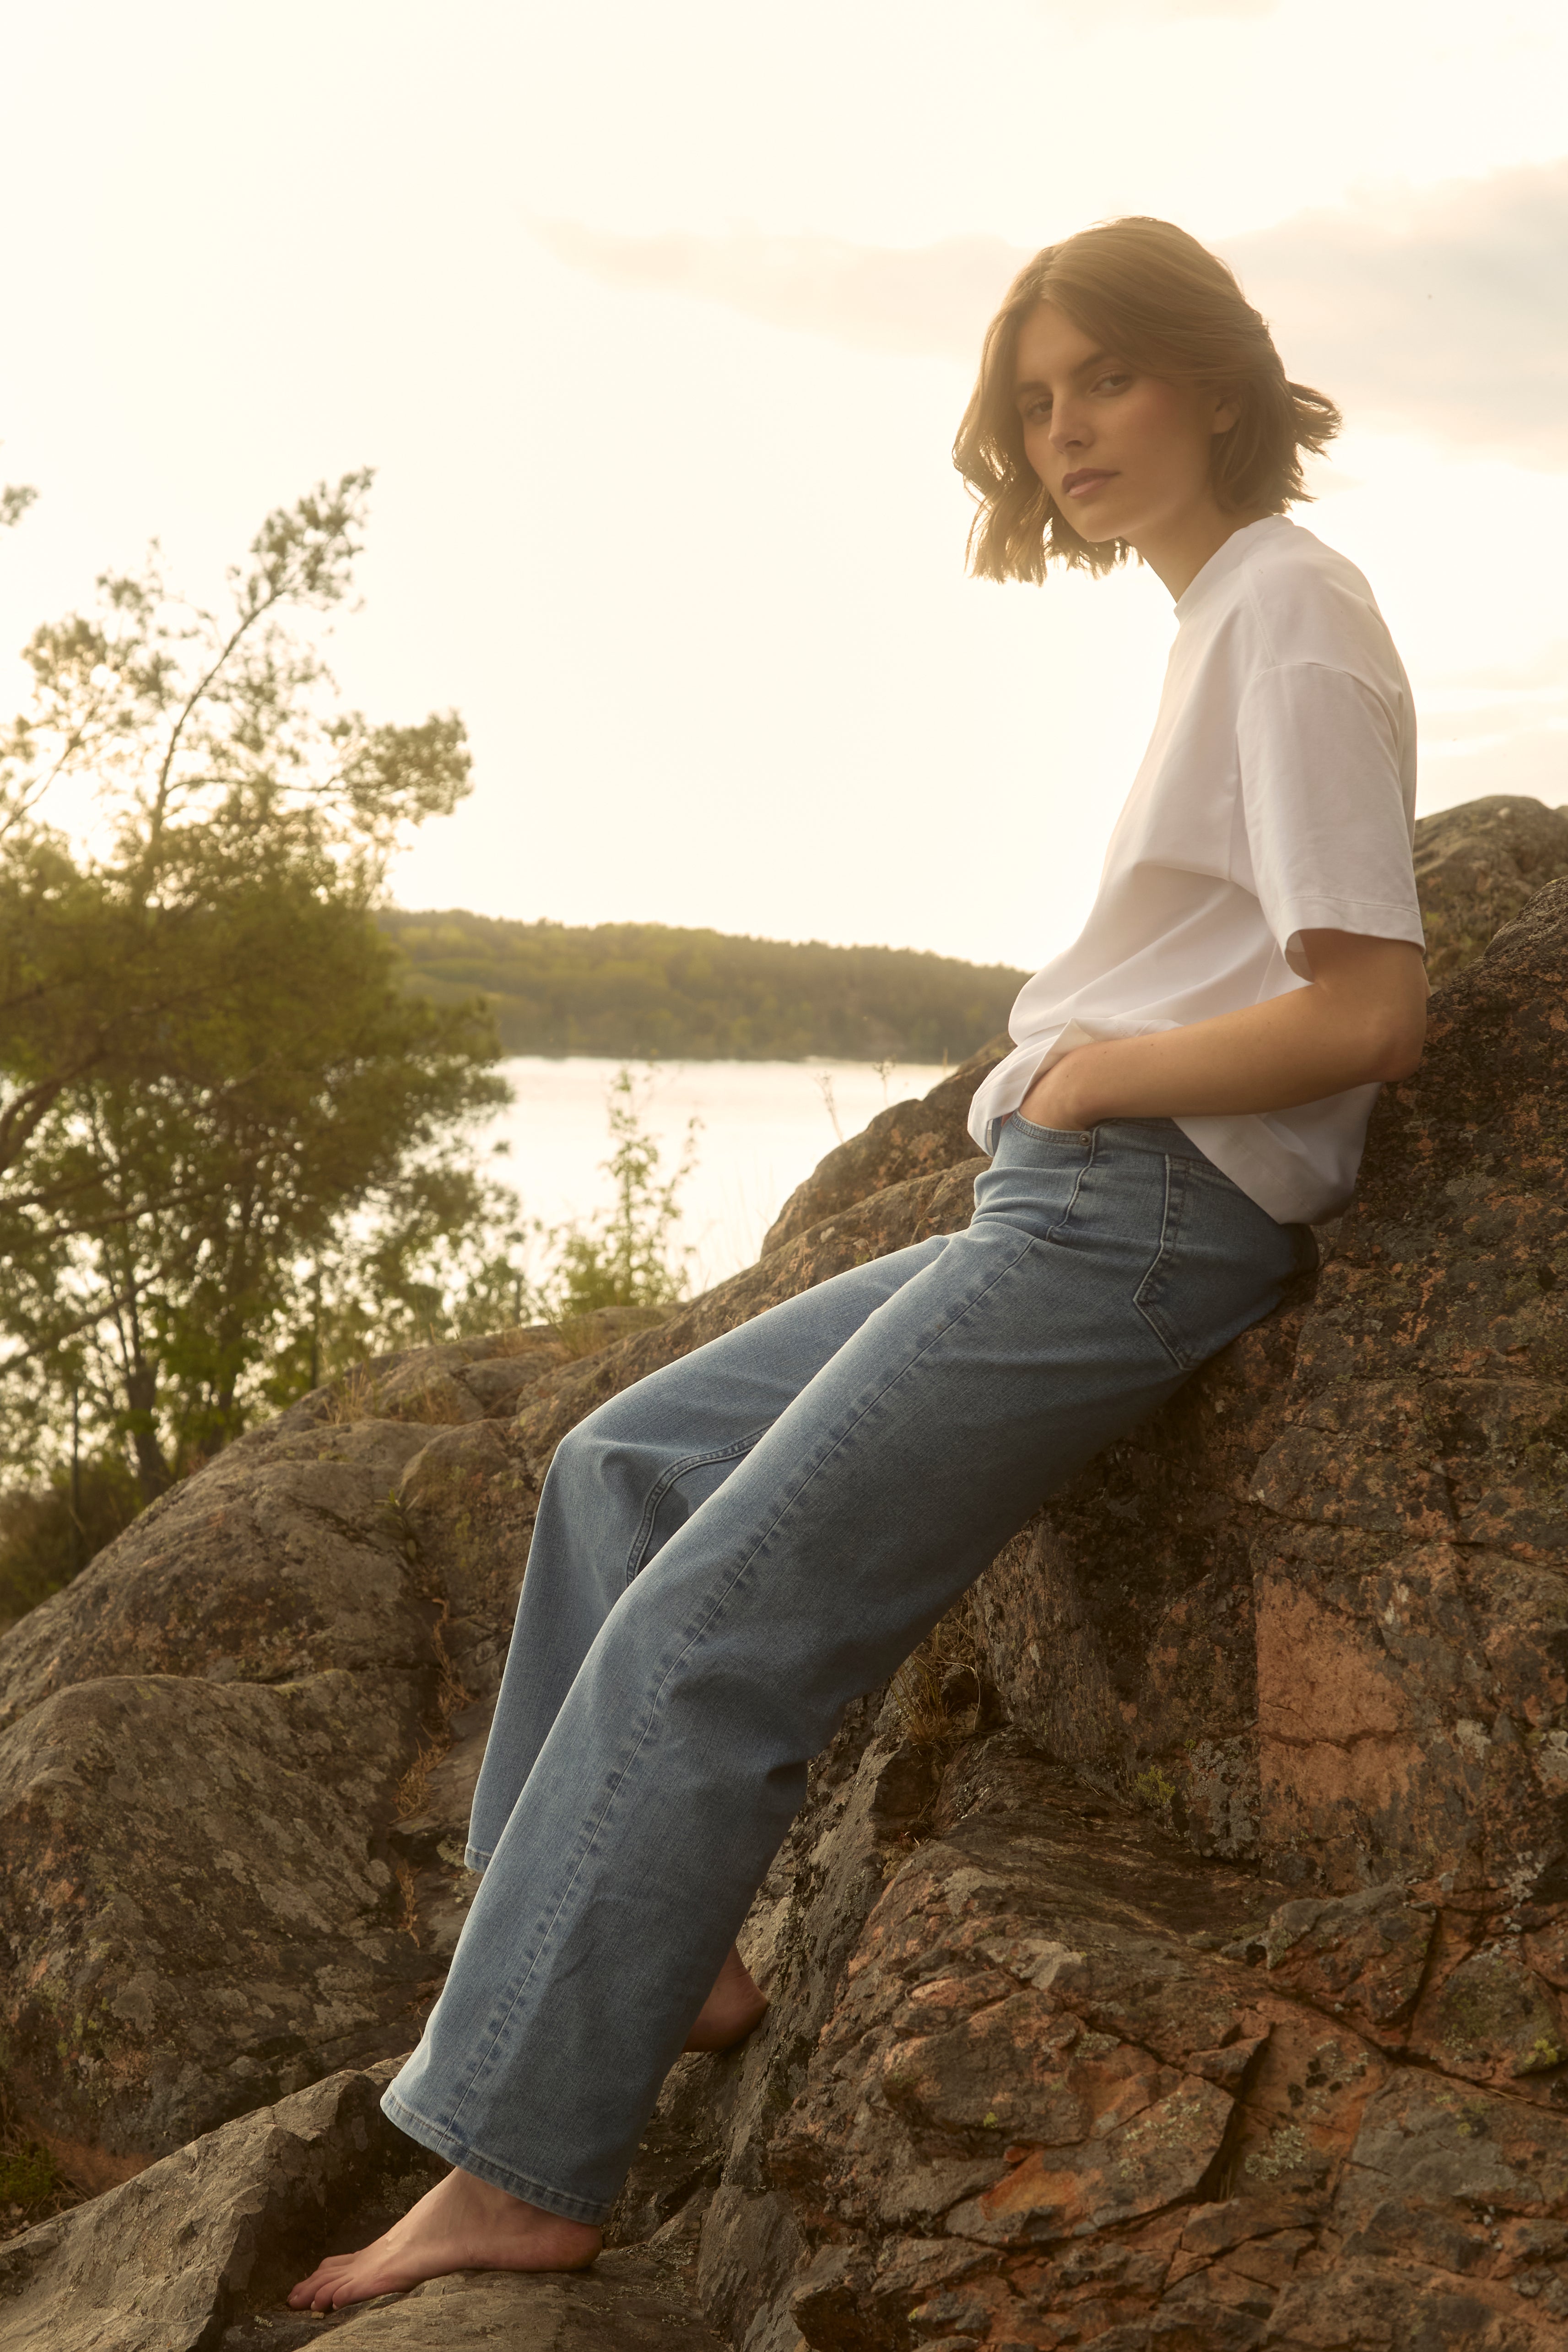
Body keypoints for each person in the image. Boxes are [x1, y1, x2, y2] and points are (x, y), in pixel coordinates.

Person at [289, 217, 1427, 2313]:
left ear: (1212, 379)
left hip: (1144, 1210)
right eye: (1032, 398)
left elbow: (1364, 1011)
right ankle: (648, 1950)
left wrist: (1093, 1078)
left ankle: (523, 2158)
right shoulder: (1218, 618)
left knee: (708, 1636)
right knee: (616, 1468)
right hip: (1063, 1196)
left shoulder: (1286, 610)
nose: (1062, 428)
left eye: (1099, 378)